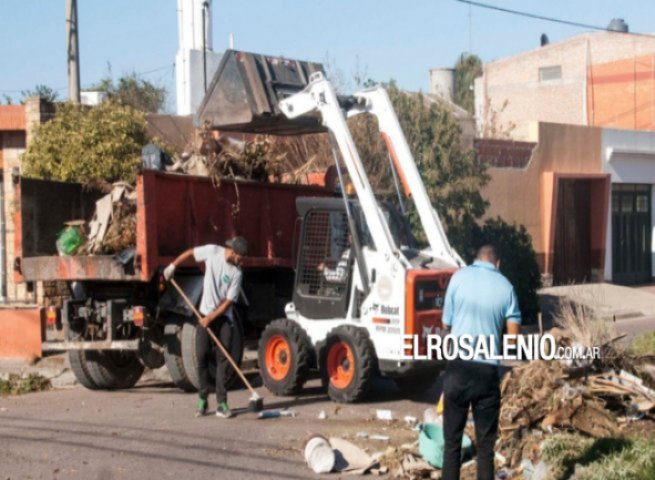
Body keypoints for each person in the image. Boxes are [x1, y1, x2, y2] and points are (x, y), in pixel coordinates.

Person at [441, 245, 521, 480]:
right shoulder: (506, 287)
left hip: (457, 368)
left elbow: (446, 324)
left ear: (474, 259)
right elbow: (514, 338)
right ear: (498, 264)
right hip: (485, 373)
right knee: (485, 451)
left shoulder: (458, 277)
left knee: (452, 444)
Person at [163, 236, 248, 419]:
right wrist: (173, 266)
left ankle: (222, 403)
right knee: (201, 357)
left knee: (223, 359)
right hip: (204, 314)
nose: (243, 260)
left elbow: (228, 303)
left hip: (223, 318)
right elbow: (190, 253)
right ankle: (202, 399)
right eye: (241, 257)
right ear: (233, 252)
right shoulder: (212, 252)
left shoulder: (237, 273)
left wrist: (210, 318)